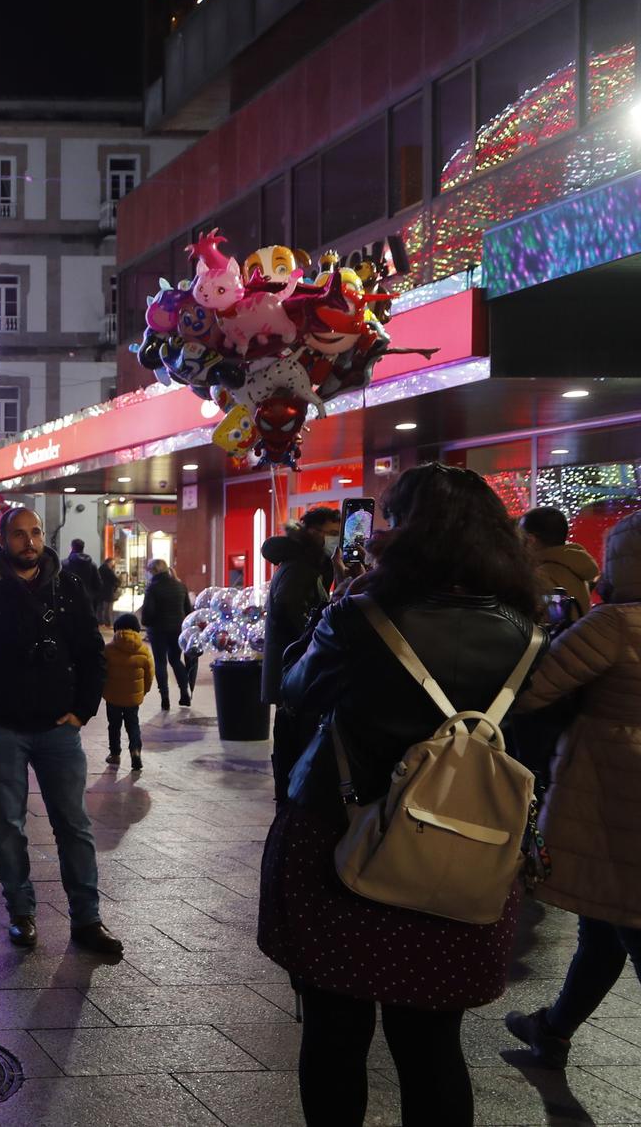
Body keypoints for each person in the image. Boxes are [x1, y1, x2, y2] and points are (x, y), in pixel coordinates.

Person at [259, 463, 543, 1126]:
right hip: (463, 847)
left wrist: (339, 607)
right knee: (432, 1041)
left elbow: (296, 691)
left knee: (335, 1028)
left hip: (343, 833)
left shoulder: (364, 616)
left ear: (410, 532)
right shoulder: (526, 630)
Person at [0, 508, 120, 959]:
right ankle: (21, 913)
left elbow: (91, 653)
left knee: (74, 825)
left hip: (58, 727)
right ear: (3, 540)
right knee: (8, 824)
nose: (30, 541)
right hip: (1, 727)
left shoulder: (68, 586)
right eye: (19, 534)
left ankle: (87, 919)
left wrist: (82, 709)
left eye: (36, 532)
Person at [502, 510, 641, 1068]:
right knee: (603, 921)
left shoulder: (615, 624)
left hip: (612, 792)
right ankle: (554, 1030)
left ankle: (554, 1030)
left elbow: (531, 692)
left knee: (625, 920)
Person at [262, 506, 342, 709]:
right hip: (292, 663)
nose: (335, 540)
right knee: (291, 727)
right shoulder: (300, 565)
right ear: (313, 532)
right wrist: (311, 637)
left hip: (295, 662)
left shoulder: (313, 562)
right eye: (332, 534)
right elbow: (288, 605)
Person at [523, 505, 601, 621]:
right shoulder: (573, 565)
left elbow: (553, 623)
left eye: (519, 535)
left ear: (531, 540)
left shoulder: (543, 575)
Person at [139, 560, 193, 710]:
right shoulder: (180, 585)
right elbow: (188, 610)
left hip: (158, 631)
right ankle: (184, 693)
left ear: (153, 571)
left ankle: (165, 699)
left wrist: (146, 623)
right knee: (176, 660)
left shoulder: (153, 588)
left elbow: (148, 612)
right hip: (177, 629)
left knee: (160, 662)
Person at [102, 613, 152, 773]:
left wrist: (103, 690)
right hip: (133, 698)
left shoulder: (108, 650)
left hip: (113, 696)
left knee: (114, 725)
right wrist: (143, 691)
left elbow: (101, 672)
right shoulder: (144, 650)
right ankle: (135, 751)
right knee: (133, 724)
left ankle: (115, 754)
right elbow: (150, 674)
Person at [61, 540, 102, 620]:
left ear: (72, 547)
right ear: (83, 548)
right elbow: (98, 584)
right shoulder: (92, 565)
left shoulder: (64, 564)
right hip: (88, 602)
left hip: (69, 601)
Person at [97, 558, 121, 627]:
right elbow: (115, 579)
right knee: (107, 609)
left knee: (101, 608)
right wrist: (118, 583)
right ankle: (107, 623)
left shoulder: (100, 568)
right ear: (109, 562)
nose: (113, 565)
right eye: (112, 563)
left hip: (101, 592)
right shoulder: (107, 570)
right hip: (107, 592)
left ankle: (100, 622)